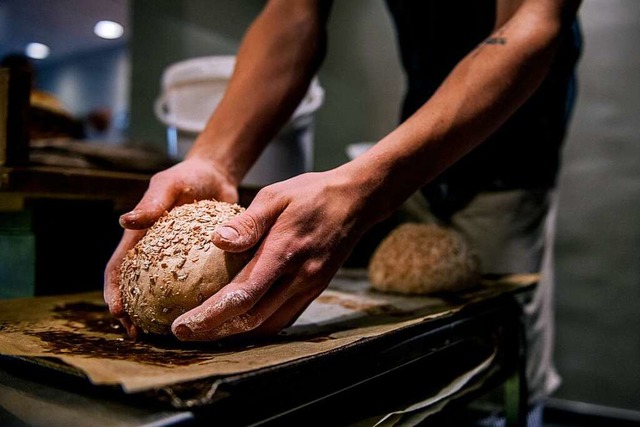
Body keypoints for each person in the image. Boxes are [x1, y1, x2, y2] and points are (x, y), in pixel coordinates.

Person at [104, 0, 582, 424]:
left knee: (489, 364)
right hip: (418, 127)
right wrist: (213, 158)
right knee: (417, 370)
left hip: (512, 151)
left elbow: (533, 21)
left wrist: (367, 185)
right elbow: (293, 13)